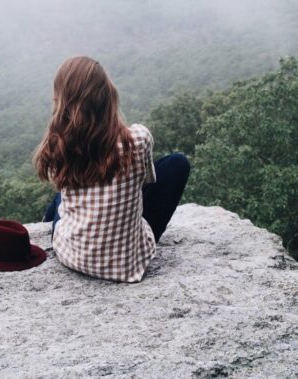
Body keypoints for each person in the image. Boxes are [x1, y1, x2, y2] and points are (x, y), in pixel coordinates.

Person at [33, 56, 190, 283]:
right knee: (177, 164)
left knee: (60, 198)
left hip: (72, 255)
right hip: (127, 265)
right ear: (108, 95)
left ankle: (48, 220)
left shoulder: (58, 148)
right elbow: (146, 183)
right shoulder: (138, 139)